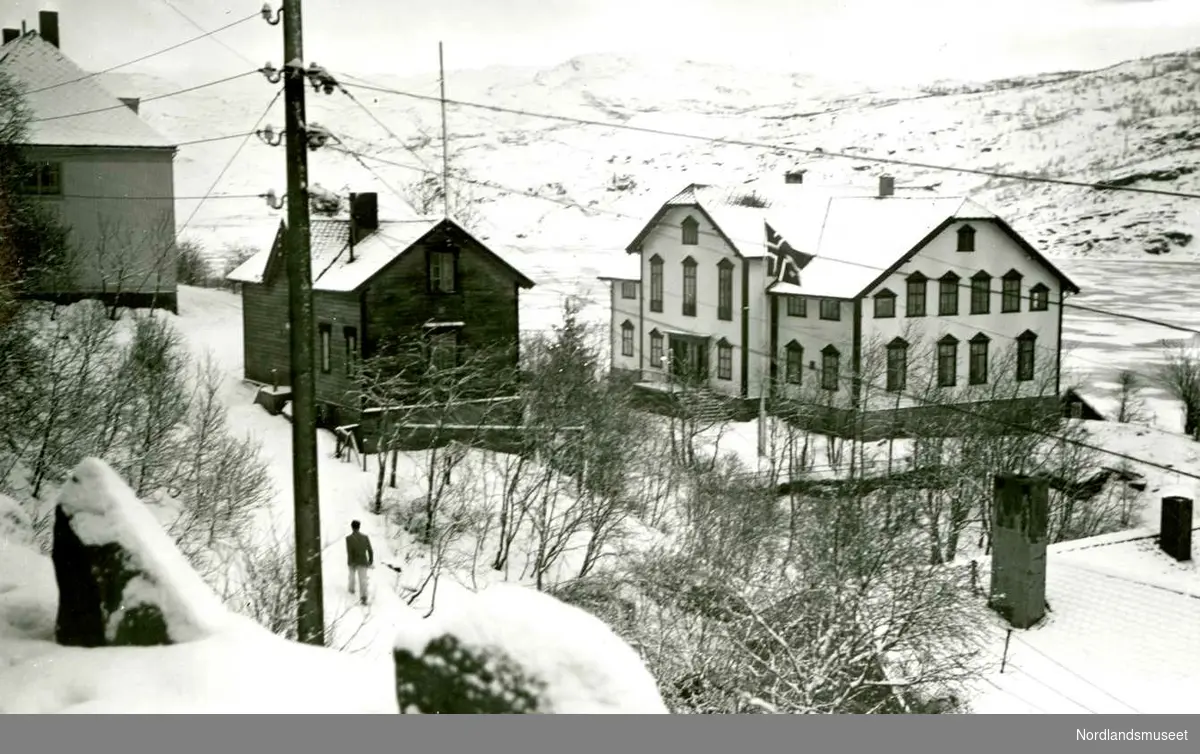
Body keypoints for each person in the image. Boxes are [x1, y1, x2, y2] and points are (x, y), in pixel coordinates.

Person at [345, 520, 374, 606]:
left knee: (351, 577)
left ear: (352, 527)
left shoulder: (348, 538)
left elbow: (349, 551)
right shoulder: (365, 537)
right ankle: (364, 597)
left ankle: (351, 590)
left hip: (353, 562)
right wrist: (370, 560)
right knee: (363, 580)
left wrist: (350, 562)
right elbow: (370, 550)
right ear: (359, 527)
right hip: (362, 561)